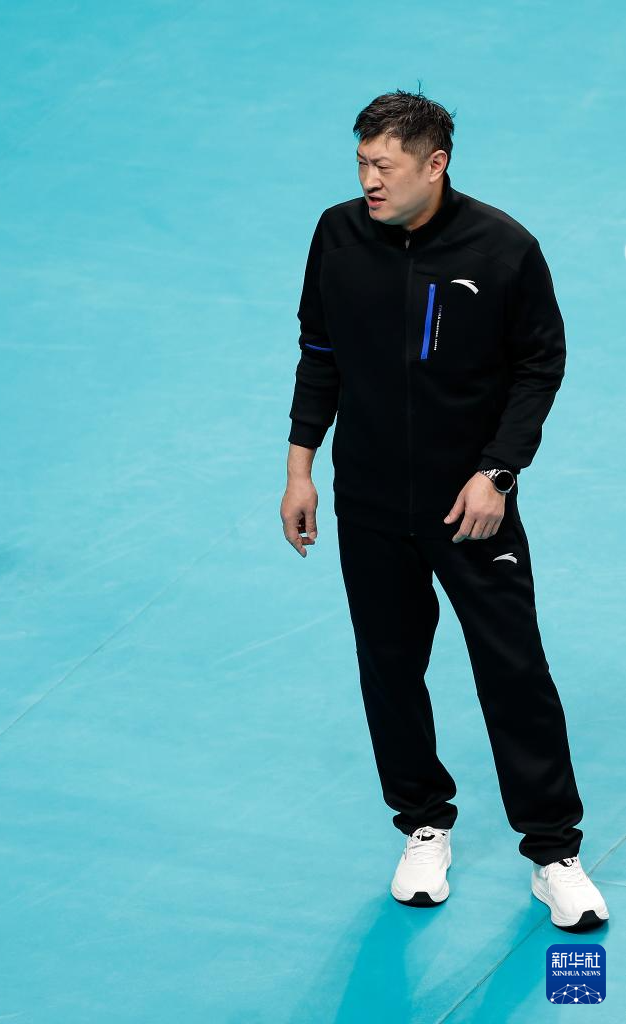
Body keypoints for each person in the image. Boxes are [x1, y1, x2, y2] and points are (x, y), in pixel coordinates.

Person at [280, 88, 609, 932]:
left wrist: (497, 473)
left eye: (384, 166)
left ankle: (553, 853)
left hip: (471, 507)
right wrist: (299, 469)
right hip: (367, 499)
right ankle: (423, 824)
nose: (368, 181)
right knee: (389, 668)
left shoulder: (503, 249)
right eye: (361, 163)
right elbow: (318, 351)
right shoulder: (337, 234)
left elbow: (539, 367)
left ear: (435, 164)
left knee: (514, 672)